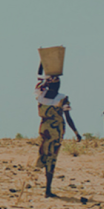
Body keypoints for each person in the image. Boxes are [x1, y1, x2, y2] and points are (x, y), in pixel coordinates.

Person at [35, 64, 82, 198]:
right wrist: (76, 132)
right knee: (52, 157)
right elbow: (68, 117)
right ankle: (48, 189)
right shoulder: (62, 98)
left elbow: (38, 78)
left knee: (45, 154)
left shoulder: (41, 95)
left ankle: (47, 187)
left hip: (44, 129)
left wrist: (42, 63)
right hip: (56, 130)